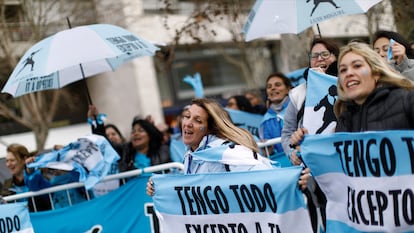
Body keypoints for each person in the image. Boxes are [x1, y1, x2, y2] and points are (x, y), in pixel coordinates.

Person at [146, 98, 311, 195]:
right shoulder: (191, 155)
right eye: (187, 117)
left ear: (210, 127)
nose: (188, 123)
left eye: (198, 120)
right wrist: (160, 188)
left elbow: (262, 171)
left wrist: (293, 181)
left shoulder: (225, 151)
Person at [281, 37, 339, 233]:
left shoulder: (347, 84)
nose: (319, 59)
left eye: (325, 54)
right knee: (319, 214)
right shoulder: (298, 94)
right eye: (314, 56)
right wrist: (292, 152)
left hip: (340, 165)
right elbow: (287, 132)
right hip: (310, 169)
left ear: (335, 58)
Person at [334, 41, 414, 131]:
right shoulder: (344, 120)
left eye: (357, 66)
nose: (348, 73)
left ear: (376, 73)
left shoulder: (407, 101)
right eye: (343, 70)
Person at [1, 144, 51, 211]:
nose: (8, 164)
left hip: (40, 219)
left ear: (24, 159)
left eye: (12, 160)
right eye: (7, 161)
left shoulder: (40, 178)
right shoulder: (7, 184)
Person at [259, 72, 292, 167]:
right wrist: (269, 151)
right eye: (269, 87)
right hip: (283, 167)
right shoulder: (265, 121)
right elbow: (269, 154)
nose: (273, 88)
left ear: (288, 89)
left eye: (278, 85)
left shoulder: (299, 108)